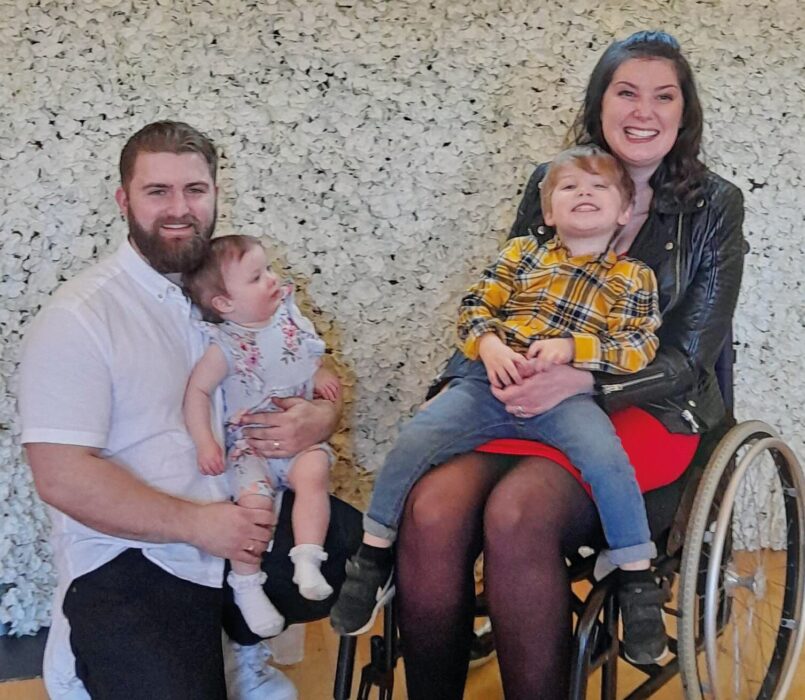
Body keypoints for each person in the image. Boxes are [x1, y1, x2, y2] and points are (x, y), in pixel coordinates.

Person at [394, 30, 745, 699]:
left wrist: (587, 380)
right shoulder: (550, 182)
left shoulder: (714, 205)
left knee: (517, 513)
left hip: (649, 406)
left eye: (662, 96)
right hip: (530, 390)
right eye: (626, 92)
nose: (643, 111)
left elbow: (691, 354)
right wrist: (460, 379)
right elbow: (507, 295)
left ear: (683, 112)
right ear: (599, 102)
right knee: (433, 507)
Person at [18, 121, 362, 700]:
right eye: (158, 192)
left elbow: (301, 369)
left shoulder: (237, 286)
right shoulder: (79, 316)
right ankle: (85, 653)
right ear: (124, 200)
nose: (179, 209)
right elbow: (60, 474)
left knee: (347, 536)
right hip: (135, 553)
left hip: (238, 518)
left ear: (216, 193)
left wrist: (321, 418)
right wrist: (200, 526)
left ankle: (238, 645)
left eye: (195, 190)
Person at [332, 145, 671, 663]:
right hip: (489, 381)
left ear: (625, 211)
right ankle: (372, 556)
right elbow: (475, 307)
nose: (584, 193)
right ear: (550, 211)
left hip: (566, 394)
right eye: (569, 187)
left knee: (607, 459)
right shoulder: (520, 255)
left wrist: (575, 351)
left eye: (600, 187)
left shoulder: (633, 277)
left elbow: (639, 345)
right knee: (415, 439)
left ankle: (635, 577)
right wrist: (488, 346)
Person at [183, 234, 340, 638]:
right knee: (254, 507)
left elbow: (310, 353)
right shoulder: (226, 345)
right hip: (250, 446)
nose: (272, 279)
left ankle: (307, 558)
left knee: (314, 472)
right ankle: (247, 584)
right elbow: (197, 392)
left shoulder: (287, 315)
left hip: (298, 438)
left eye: (267, 269)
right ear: (224, 304)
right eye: (256, 277)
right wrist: (206, 442)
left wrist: (319, 374)